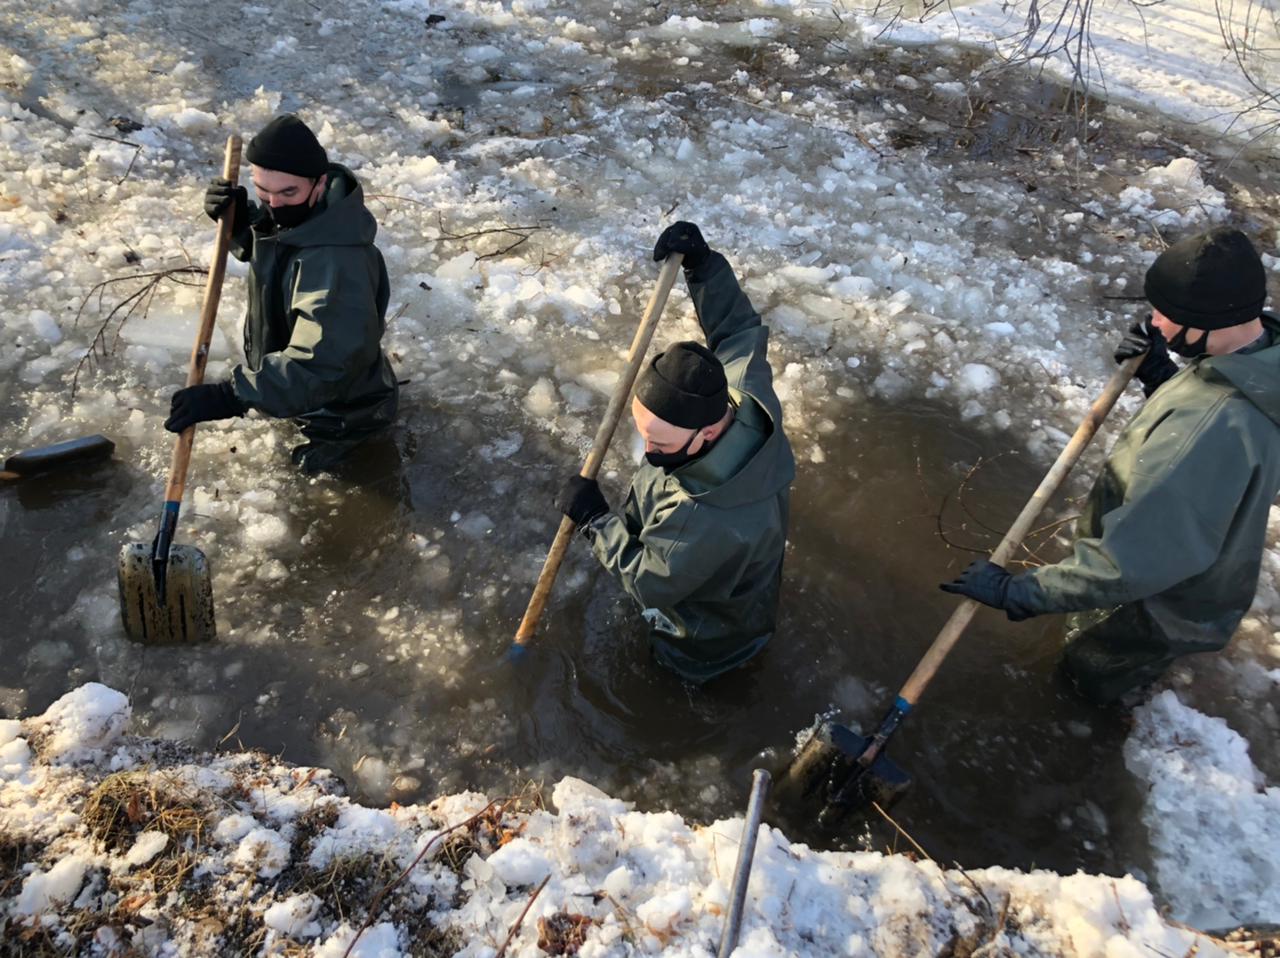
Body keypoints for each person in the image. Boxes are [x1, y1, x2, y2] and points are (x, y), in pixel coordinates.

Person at [941, 227, 1280, 705]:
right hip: (1196, 574)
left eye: (1169, 314)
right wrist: (1162, 379)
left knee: (1081, 685)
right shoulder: (1262, 363)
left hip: (1152, 606)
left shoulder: (1210, 423)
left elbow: (1131, 563)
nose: (1155, 321)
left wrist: (1019, 592)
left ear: (1207, 320)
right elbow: (1223, 452)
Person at [556, 222, 795, 683]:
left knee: (675, 678)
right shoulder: (745, 397)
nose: (648, 452)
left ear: (706, 434)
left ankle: (700, 679)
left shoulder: (699, 515)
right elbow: (738, 331)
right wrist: (703, 266)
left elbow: (649, 581)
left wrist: (595, 521)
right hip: (736, 571)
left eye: (660, 444)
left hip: (703, 639)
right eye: (643, 432)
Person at [164, 114, 399, 474]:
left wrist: (232, 395)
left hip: (341, 420)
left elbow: (323, 365)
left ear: (319, 182)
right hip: (301, 399)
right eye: (262, 191)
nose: (273, 204)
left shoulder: (338, 262)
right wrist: (244, 226)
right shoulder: (305, 221)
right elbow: (284, 263)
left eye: (288, 192)